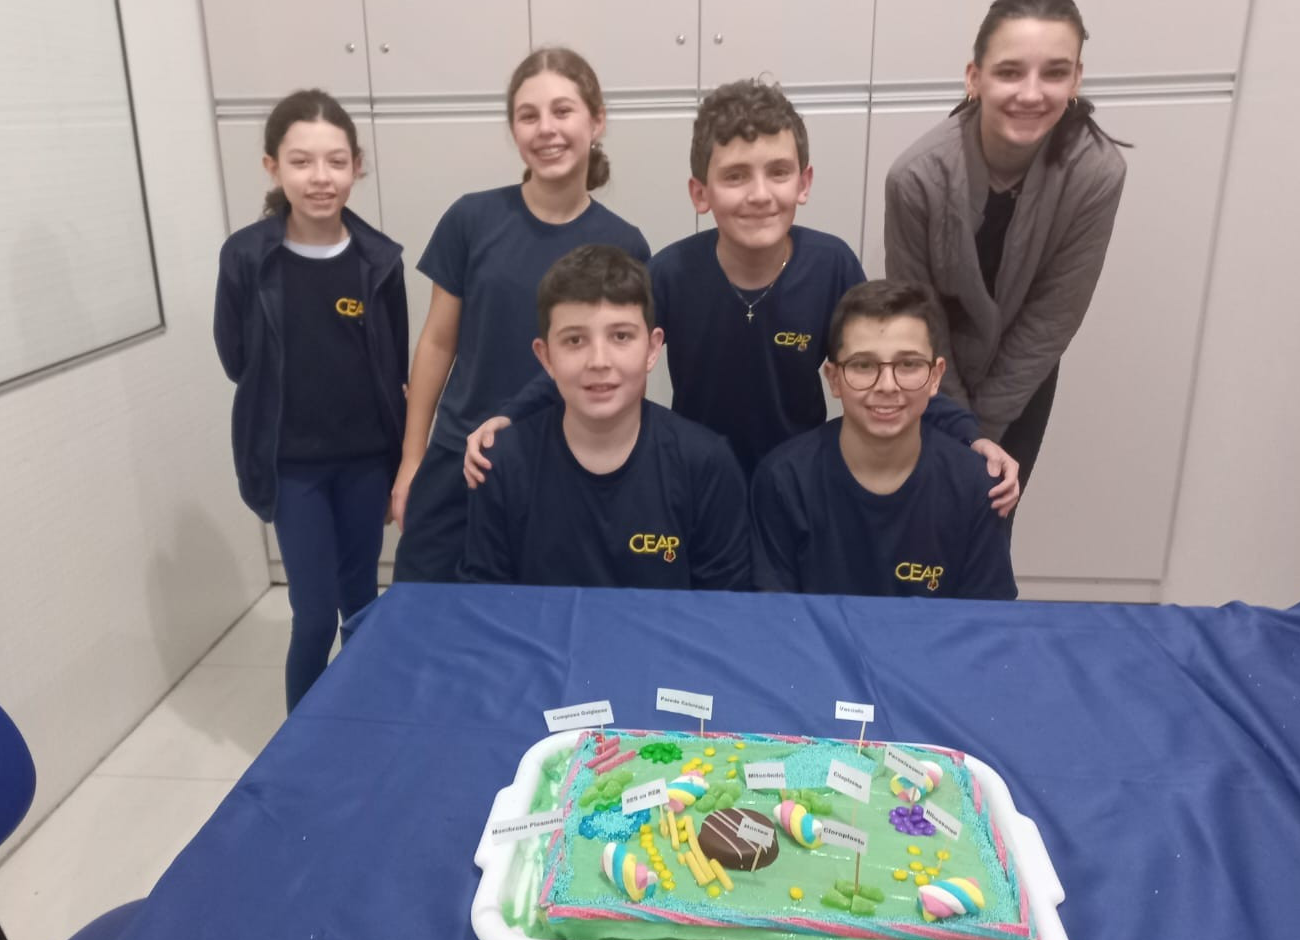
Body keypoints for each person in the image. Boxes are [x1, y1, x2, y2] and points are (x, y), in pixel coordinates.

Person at [467, 79, 1020, 511]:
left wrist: (968, 435)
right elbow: (600, 351)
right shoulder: (671, 273)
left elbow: (889, 361)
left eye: (777, 172)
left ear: (803, 183)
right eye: (735, 177)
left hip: (802, 486)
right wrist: (512, 417)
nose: (759, 194)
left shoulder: (831, 266)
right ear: (700, 193)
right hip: (697, 485)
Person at [391, 47, 650, 582]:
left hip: (560, 467)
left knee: (536, 622)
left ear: (597, 121)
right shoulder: (471, 219)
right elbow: (437, 342)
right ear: (514, 129)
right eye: (528, 115)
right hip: (458, 459)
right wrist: (412, 459)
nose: (546, 129)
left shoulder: (624, 244)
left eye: (563, 111)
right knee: (424, 612)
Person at [884, 0, 1128, 496]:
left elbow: (1052, 317)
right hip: (929, 377)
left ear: (1076, 79)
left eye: (1054, 72)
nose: (1031, 93)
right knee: (917, 515)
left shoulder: (1097, 173)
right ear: (974, 78)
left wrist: (986, 431)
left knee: (989, 514)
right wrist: (958, 427)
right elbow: (918, 316)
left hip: (1021, 384)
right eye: (1010, 71)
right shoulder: (915, 178)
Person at [213, 90, 407, 711]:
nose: (320, 177)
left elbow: (394, 365)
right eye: (301, 162)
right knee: (316, 613)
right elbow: (235, 358)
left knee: (363, 605)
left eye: (335, 161)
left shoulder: (380, 260)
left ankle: (363, 720)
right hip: (292, 467)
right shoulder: (246, 258)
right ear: (272, 167)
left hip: (365, 463)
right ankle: (304, 742)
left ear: (357, 166)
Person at [460, 245, 749, 589]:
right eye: (574, 340)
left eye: (621, 336)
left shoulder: (705, 464)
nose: (599, 361)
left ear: (652, 349)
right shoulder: (504, 464)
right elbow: (484, 602)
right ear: (546, 357)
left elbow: (724, 606)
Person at [751, 280, 1017, 600]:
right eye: (863, 365)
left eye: (908, 364)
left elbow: (986, 621)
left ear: (935, 377)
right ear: (834, 379)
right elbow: (777, 618)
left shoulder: (976, 487)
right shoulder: (784, 481)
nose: (887, 385)